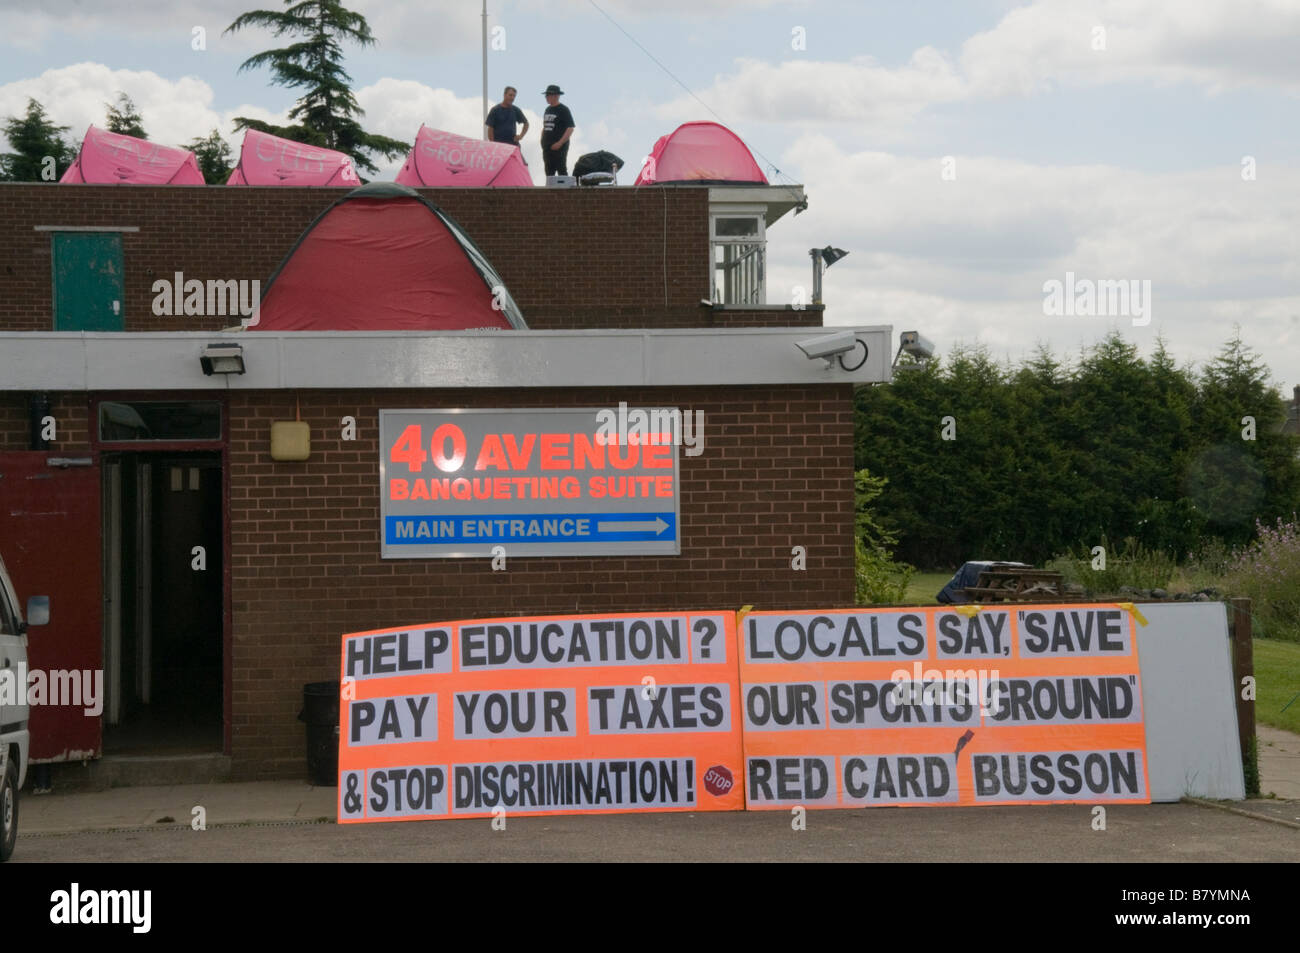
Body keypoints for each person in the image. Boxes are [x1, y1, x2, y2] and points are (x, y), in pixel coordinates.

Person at [540, 84, 575, 176]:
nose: (546, 97)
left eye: (548, 95)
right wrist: (542, 140)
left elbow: (570, 128)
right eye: (546, 95)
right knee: (548, 171)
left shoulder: (563, 110)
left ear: (556, 96)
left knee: (561, 169)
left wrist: (560, 143)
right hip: (547, 146)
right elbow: (545, 126)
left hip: (559, 146)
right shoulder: (547, 109)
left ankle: (564, 190)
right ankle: (550, 190)